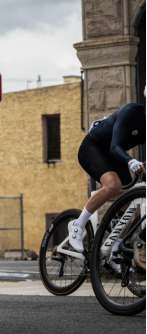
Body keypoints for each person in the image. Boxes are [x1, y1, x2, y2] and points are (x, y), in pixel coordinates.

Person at [68, 101, 145, 273]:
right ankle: (77, 225)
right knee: (112, 185)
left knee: (129, 201)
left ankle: (114, 254)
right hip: (94, 147)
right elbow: (115, 146)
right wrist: (131, 161)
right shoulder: (131, 111)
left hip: (115, 156)